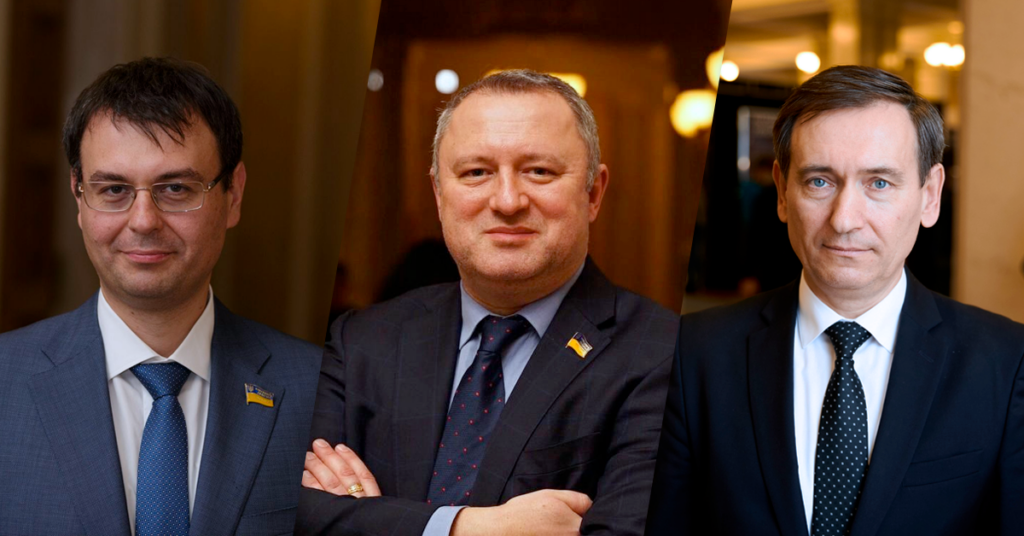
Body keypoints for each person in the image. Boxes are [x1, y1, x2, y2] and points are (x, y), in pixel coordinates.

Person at [646, 65, 1024, 535]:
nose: (844, 220)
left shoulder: (1006, 362)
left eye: (879, 183)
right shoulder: (691, 354)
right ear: (782, 192)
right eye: (819, 182)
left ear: (930, 195)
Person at [296, 70, 677, 536]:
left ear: (593, 192)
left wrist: (369, 521)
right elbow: (287, 512)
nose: (507, 201)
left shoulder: (664, 355)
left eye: (539, 171)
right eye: (476, 172)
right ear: (439, 194)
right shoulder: (361, 341)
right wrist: (468, 528)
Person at [0, 57, 321, 536]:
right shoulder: (6, 383)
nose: (144, 220)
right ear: (78, 198)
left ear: (233, 195)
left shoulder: (317, 389)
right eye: (113, 189)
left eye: (175, 188)